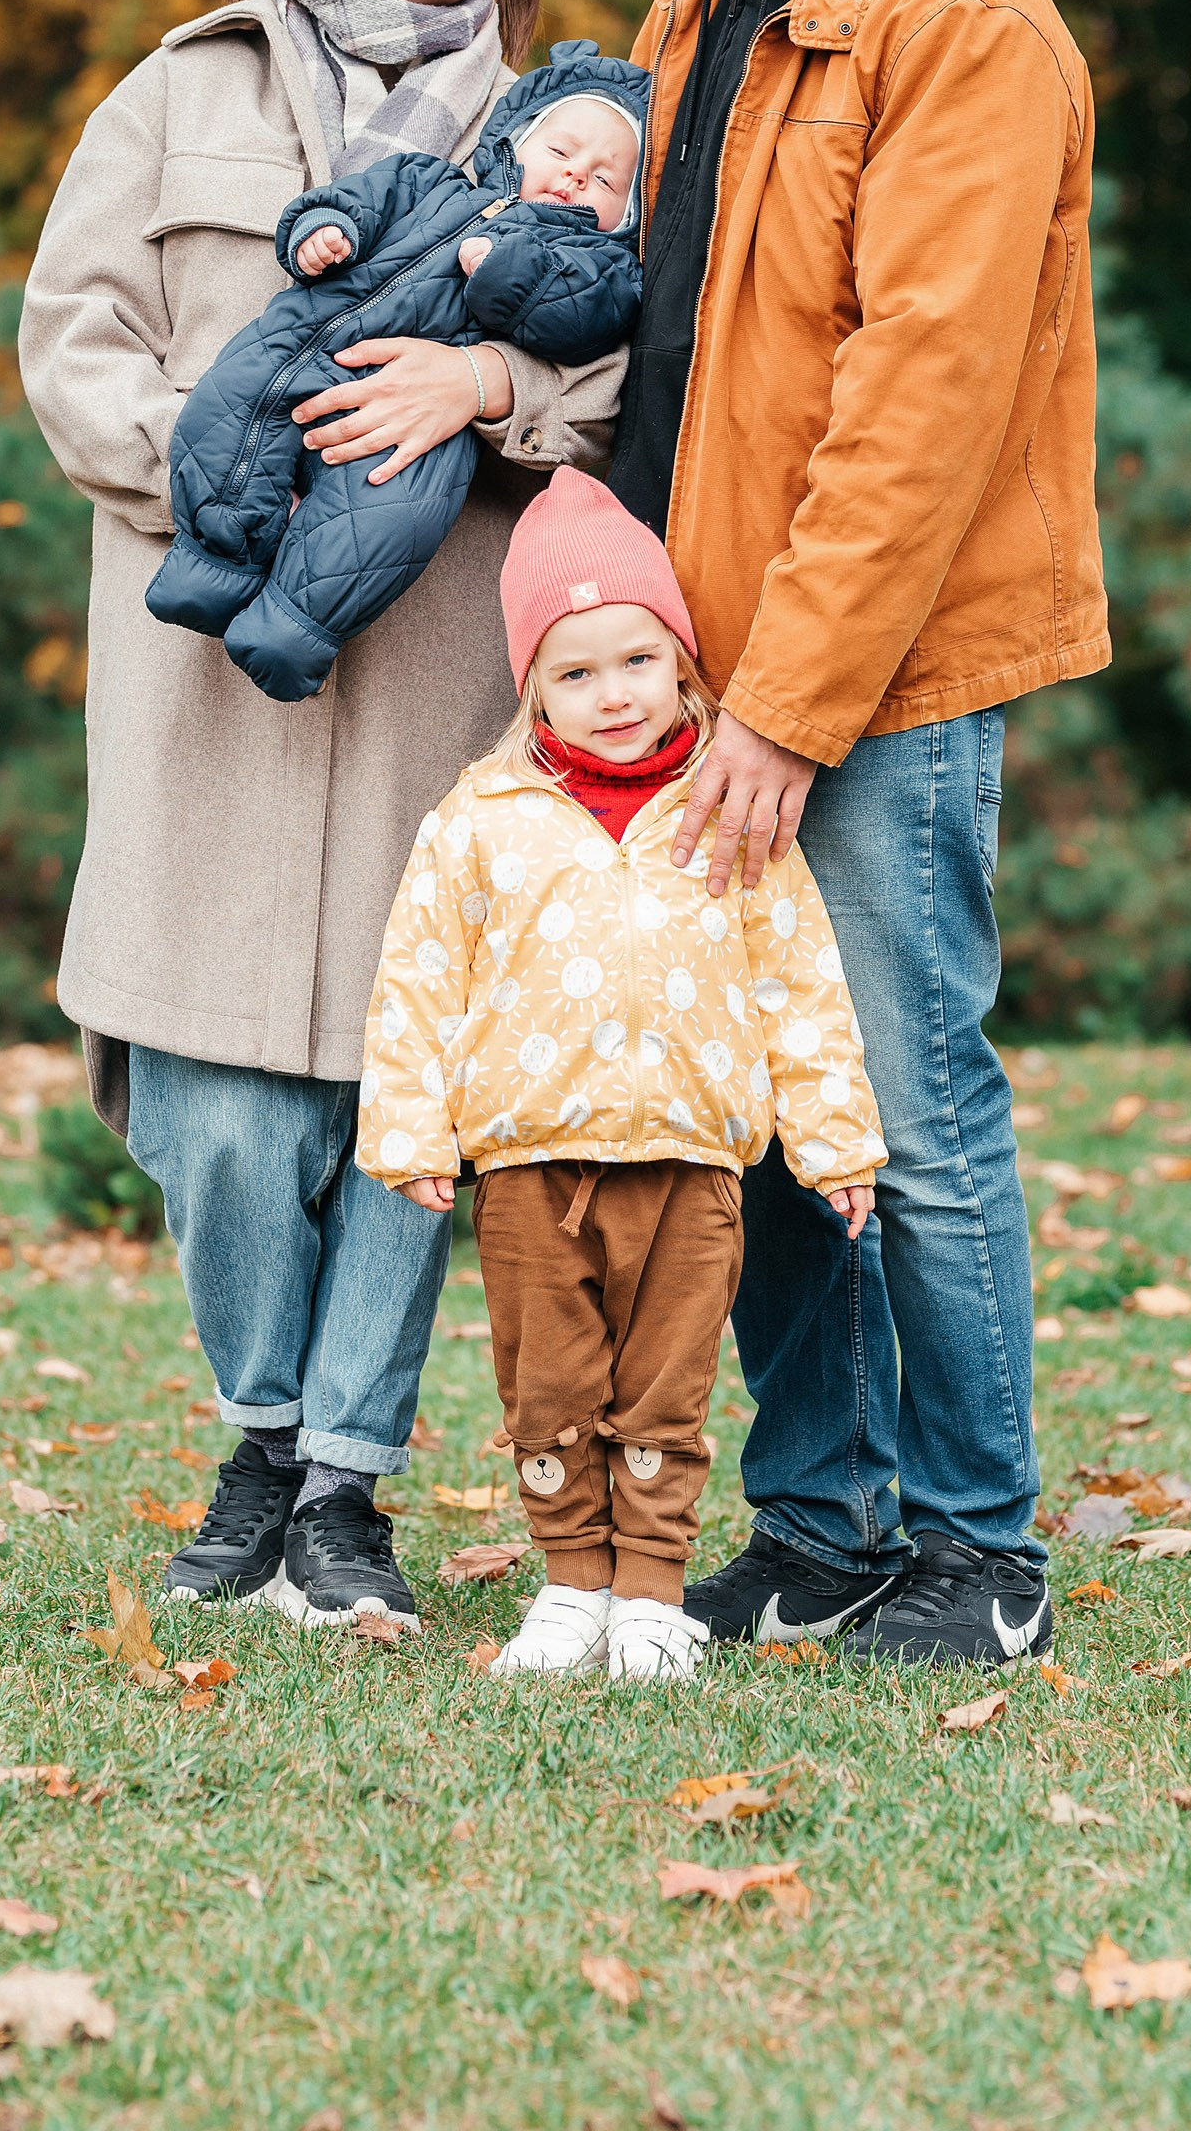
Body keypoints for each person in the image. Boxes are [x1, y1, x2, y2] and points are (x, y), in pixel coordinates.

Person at [19, 0, 625, 1635]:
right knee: (215, 1107)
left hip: (439, 677)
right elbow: (74, 339)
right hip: (209, 670)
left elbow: (628, 367)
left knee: (403, 1101)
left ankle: (343, 1490)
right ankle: (260, 1434)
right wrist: (233, 472)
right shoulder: (174, 91)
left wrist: (485, 397)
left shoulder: (564, 129)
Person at [608, 0, 1108, 1669]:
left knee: (900, 1106)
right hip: (690, 666)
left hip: (869, 688)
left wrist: (791, 708)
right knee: (748, 1115)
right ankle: (816, 1522)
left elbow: (916, 406)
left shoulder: (961, 19)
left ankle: (976, 1553)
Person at [356, 471, 885, 1681]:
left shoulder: (729, 813)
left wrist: (836, 1140)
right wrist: (410, 1129)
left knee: (663, 1394)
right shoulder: (482, 816)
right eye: (575, 672)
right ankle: (570, 1582)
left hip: (692, 1166)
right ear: (531, 683)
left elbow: (798, 982)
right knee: (550, 1388)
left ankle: (650, 1592)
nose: (611, 695)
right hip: (532, 1163)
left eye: (637, 660)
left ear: (683, 664)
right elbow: (418, 976)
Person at [146, 43, 647, 700]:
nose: (577, 174)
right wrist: (323, 231)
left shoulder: (596, 263)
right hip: (303, 348)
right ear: (516, 141)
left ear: (629, 213)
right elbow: (351, 202)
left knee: (388, 520)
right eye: (560, 151)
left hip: (420, 435)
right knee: (230, 411)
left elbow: (584, 319)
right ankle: (211, 564)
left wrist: (509, 272)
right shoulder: (426, 180)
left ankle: (294, 628)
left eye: (607, 179)